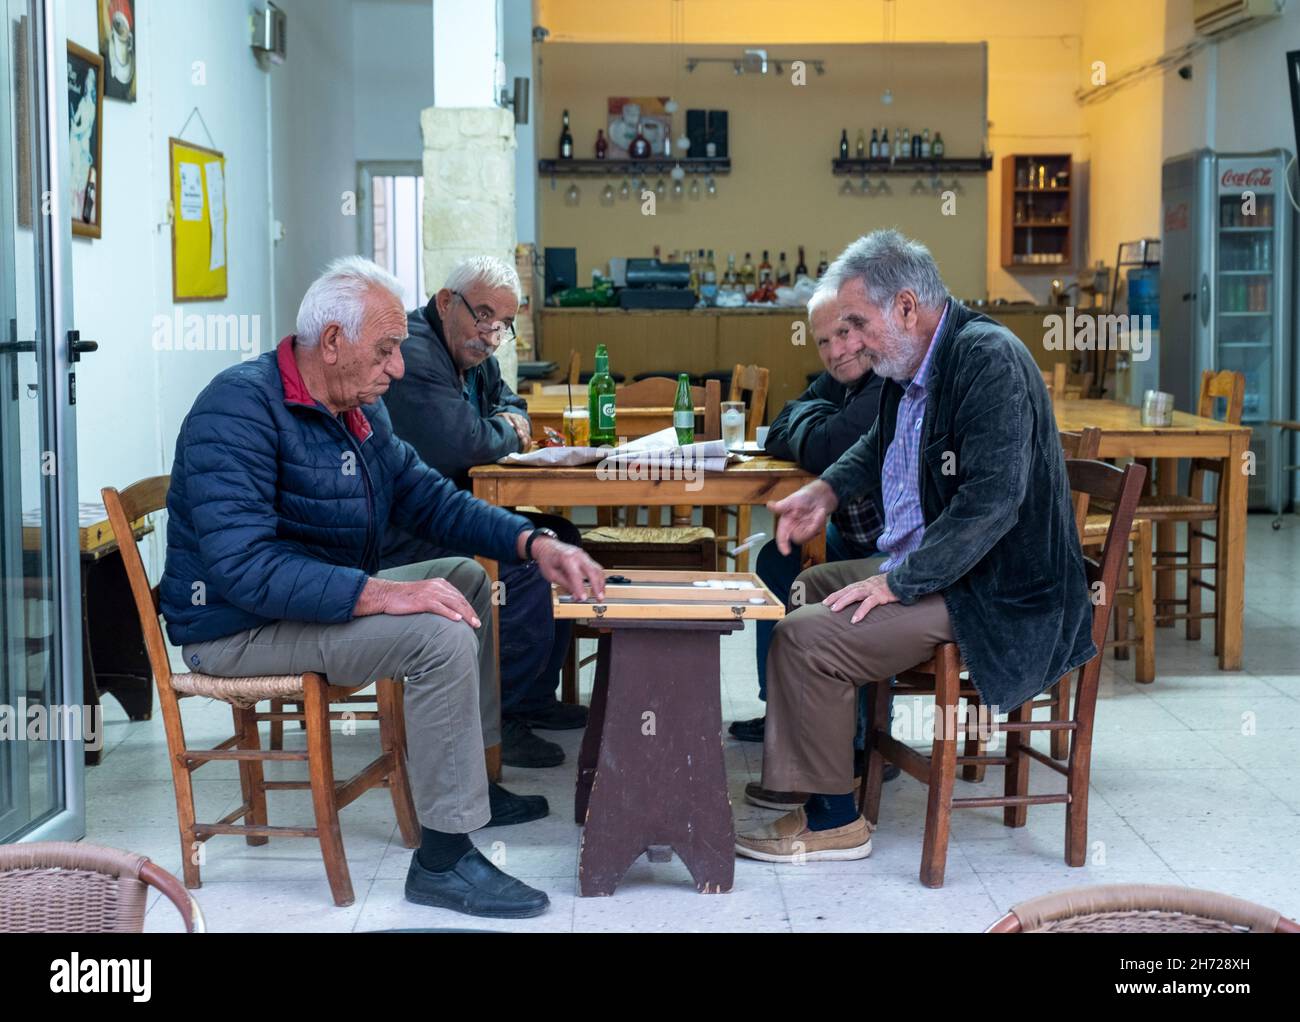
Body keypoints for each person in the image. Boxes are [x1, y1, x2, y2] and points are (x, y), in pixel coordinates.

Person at [161, 256, 606, 918]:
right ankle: (444, 859)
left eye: (399, 348)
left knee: (463, 580)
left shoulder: (354, 408)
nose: (398, 368)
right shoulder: (237, 410)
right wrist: (385, 594)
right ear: (333, 342)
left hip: (307, 602)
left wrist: (531, 543)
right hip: (235, 627)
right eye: (387, 349)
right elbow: (245, 568)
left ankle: (471, 779)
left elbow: (426, 498)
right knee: (433, 631)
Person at [735, 230, 1095, 863]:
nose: (847, 345)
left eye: (855, 324)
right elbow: (876, 443)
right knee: (801, 588)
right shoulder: (910, 364)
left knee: (806, 637)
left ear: (905, 306)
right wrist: (824, 492)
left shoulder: (986, 359)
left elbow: (993, 503)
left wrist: (897, 583)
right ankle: (815, 772)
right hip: (955, 568)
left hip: (998, 587)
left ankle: (833, 821)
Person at [381, 256, 581, 771]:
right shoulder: (417, 352)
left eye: (504, 324)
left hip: (448, 512)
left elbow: (512, 403)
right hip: (403, 531)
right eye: (484, 315)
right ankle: (502, 715)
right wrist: (503, 429)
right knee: (526, 567)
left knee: (561, 537)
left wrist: (504, 421)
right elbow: (462, 443)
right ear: (447, 302)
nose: (492, 334)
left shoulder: (473, 353)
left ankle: (534, 695)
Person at [732, 285, 899, 809]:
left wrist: (814, 426)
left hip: (895, 546)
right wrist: (815, 423)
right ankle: (781, 711)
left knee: (809, 576)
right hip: (851, 531)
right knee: (777, 555)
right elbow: (781, 425)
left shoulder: (889, 380)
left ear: (871, 327)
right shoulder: (843, 377)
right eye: (824, 341)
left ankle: (855, 736)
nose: (835, 351)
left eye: (845, 334)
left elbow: (827, 445)